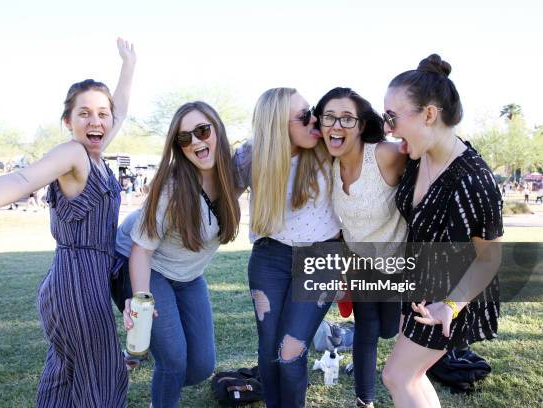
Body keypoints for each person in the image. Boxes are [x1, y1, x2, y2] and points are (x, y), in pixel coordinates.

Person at [0, 38, 136, 407]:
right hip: (78, 283)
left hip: (76, 280)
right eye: (84, 113)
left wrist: (128, 65)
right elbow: (21, 181)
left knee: (65, 374)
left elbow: (117, 112)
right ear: (68, 121)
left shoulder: (97, 155)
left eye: (103, 114)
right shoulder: (74, 153)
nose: (97, 120)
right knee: (103, 378)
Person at [380, 54, 503, 407]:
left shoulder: (473, 178)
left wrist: (450, 305)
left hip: (452, 295)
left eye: (392, 116)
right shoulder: (417, 156)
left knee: (398, 376)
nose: (388, 126)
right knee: (411, 377)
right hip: (419, 287)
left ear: (429, 114)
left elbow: (490, 256)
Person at [112, 101, 241, 408]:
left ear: (217, 130)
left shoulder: (234, 172)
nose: (196, 141)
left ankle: (138, 357)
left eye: (202, 130)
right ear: (178, 146)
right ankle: (146, 370)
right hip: (141, 264)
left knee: (200, 367)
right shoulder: (172, 187)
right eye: (185, 138)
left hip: (187, 276)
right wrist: (141, 300)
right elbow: (141, 250)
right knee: (173, 362)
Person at [233, 88, 341, 408]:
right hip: (269, 256)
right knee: (268, 351)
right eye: (304, 115)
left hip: (321, 257)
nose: (315, 120)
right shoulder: (250, 155)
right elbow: (221, 193)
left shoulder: (328, 148)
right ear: (278, 126)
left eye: (312, 111)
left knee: (290, 352)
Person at [314, 87, 407, 408]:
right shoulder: (327, 166)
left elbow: (428, 156)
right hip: (360, 264)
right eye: (329, 117)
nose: (336, 125)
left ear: (362, 125)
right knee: (367, 329)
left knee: (386, 330)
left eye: (347, 118)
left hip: (400, 262)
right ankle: (364, 401)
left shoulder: (385, 155)